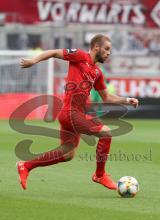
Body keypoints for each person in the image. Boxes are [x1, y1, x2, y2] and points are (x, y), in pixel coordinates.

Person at [18, 34, 138, 190]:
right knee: (106, 133)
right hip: (70, 112)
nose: (109, 53)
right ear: (96, 47)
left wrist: (128, 100)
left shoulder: (97, 72)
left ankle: (25, 166)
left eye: (110, 50)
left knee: (67, 154)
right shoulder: (80, 56)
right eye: (107, 49)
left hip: (75, 114)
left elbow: (107, 97)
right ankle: (100, 175)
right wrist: (34, 60)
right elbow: (54, 52)